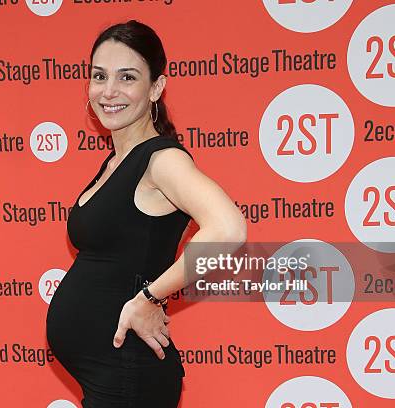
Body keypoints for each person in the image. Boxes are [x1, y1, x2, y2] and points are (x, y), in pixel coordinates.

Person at [46, 20, 247, 408]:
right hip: (111, 378)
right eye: (99, 76)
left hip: (129, 379)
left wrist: (149, 298)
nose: (109, 91)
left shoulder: (162, 160)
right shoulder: (115, 162)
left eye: (127, 77)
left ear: (156, 87)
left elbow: (229, 228)